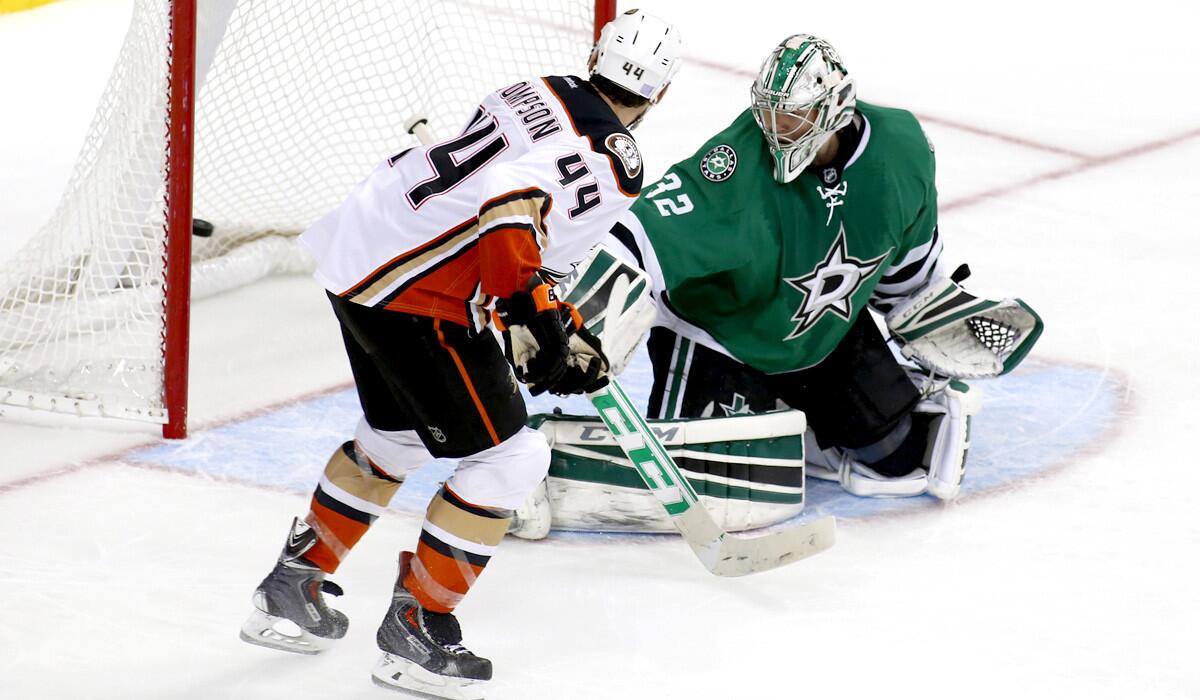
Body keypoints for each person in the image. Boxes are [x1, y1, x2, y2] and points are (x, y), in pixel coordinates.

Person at [239, 10, 681, 699]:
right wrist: (532, 315)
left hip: (360, 255)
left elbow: (509, 211)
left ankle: (291, 588)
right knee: (513, 459)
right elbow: (509, 206)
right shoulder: (615, 158)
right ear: (661, 93)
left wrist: (547, 315)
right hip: (416, 295)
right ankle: (417, 628)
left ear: (597, 56)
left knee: (398, 435)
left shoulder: (533, 88)